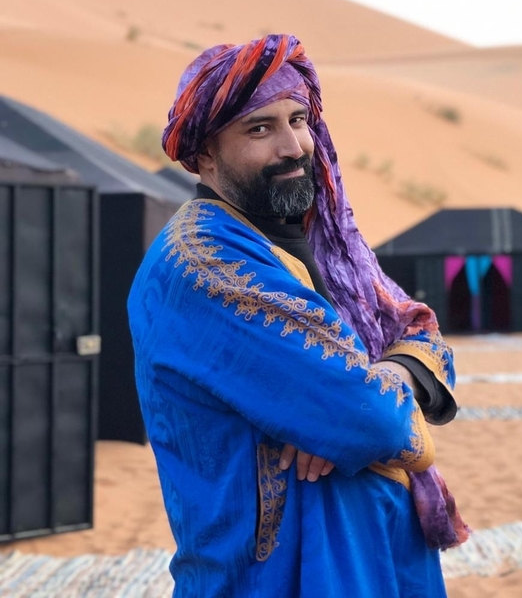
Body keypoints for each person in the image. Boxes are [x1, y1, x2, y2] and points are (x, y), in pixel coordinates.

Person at [128, 34, 469, 598]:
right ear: (205, 154)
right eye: (260, 129)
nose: (293, 147)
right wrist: (357, 406)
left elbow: (419, 331)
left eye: (299, 120)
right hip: (279, 577)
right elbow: (375, 422)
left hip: (375, 562)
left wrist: (386, 376)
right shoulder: (208, 265)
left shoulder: (327, 250)